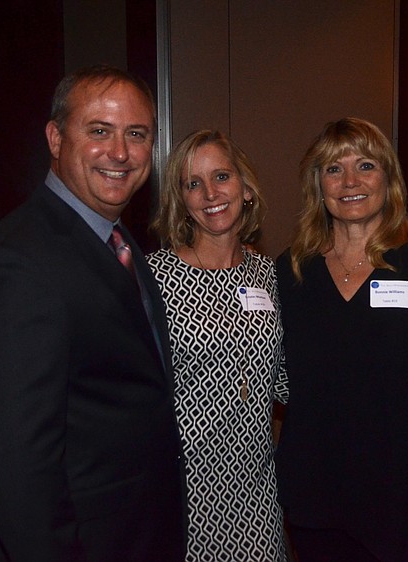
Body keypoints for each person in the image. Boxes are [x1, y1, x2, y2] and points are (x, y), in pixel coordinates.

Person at [0, 65, 186, 562]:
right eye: (99, 131)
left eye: (136, 134)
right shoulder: (13, 264)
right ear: (56, 138)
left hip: (138, 532)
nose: (120, 153)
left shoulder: (119, 242)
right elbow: (21, 476)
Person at [275, 117, 408, 561]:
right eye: (334, 169)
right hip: (314, 490)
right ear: (318, 184)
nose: (349, 181)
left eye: (365, 165)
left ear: (388, 177)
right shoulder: (291, 270)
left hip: (401, 495)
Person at [147, 130, 289, 561]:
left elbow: (285, 376)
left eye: (222, 176)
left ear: (246, 189)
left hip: (257, 483)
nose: (210, 193)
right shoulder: (154, 278)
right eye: (193, 183)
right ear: (181, 200)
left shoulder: (267, 274)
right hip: (184, 485)